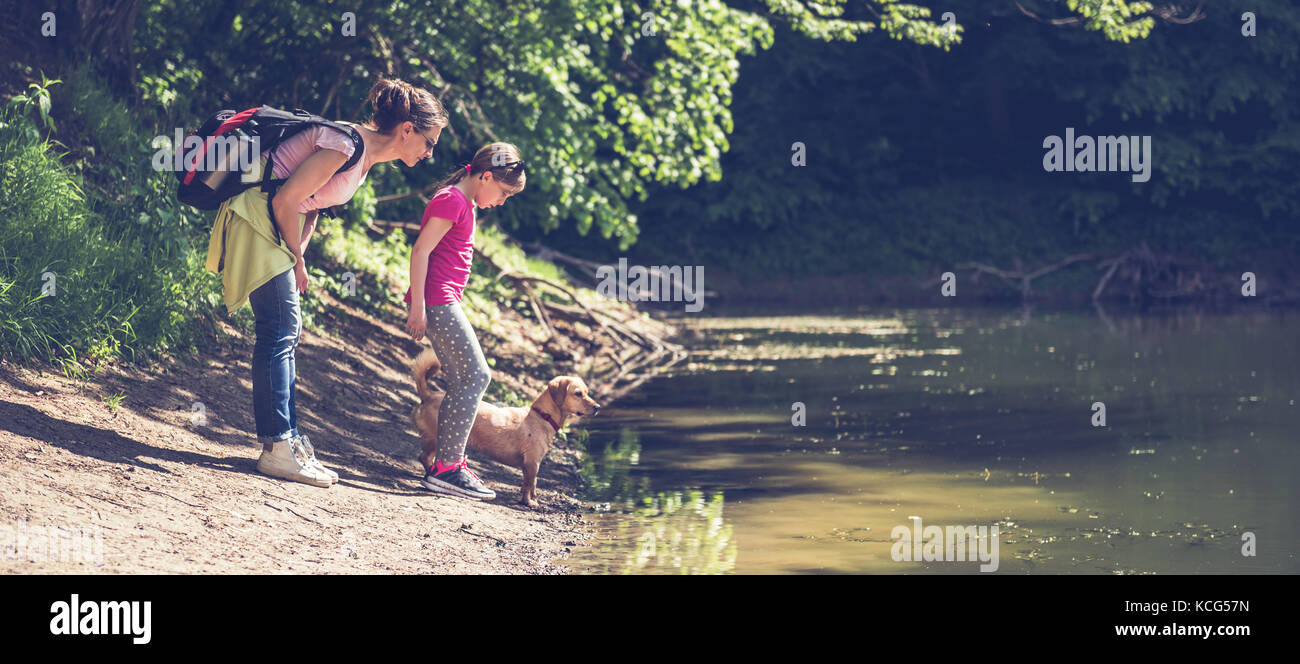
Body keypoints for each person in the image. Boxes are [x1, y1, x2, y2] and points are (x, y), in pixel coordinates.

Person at [205, 78, 450, 487]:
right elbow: (285, 199)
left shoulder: (365, 159)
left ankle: (284, 442)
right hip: (256, 216)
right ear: (407, 129)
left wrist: (298, 251)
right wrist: (297, 258)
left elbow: (314, 205)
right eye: (429, 142)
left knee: (285, 330)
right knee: (281, 329)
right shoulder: (346, 144)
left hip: (275, 225)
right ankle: (278, 447)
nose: (430, 152)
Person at [405, 143, 527, 500]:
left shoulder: (465, 203)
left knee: (462, 379)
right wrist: (418, 307)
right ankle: (448, 468)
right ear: (485, 176)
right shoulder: (452, 201)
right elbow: (420, 251)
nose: (502, 201)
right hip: (437, 301)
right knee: (477, 376)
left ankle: (447, 465)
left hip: (446, 300)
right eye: (503, 192)